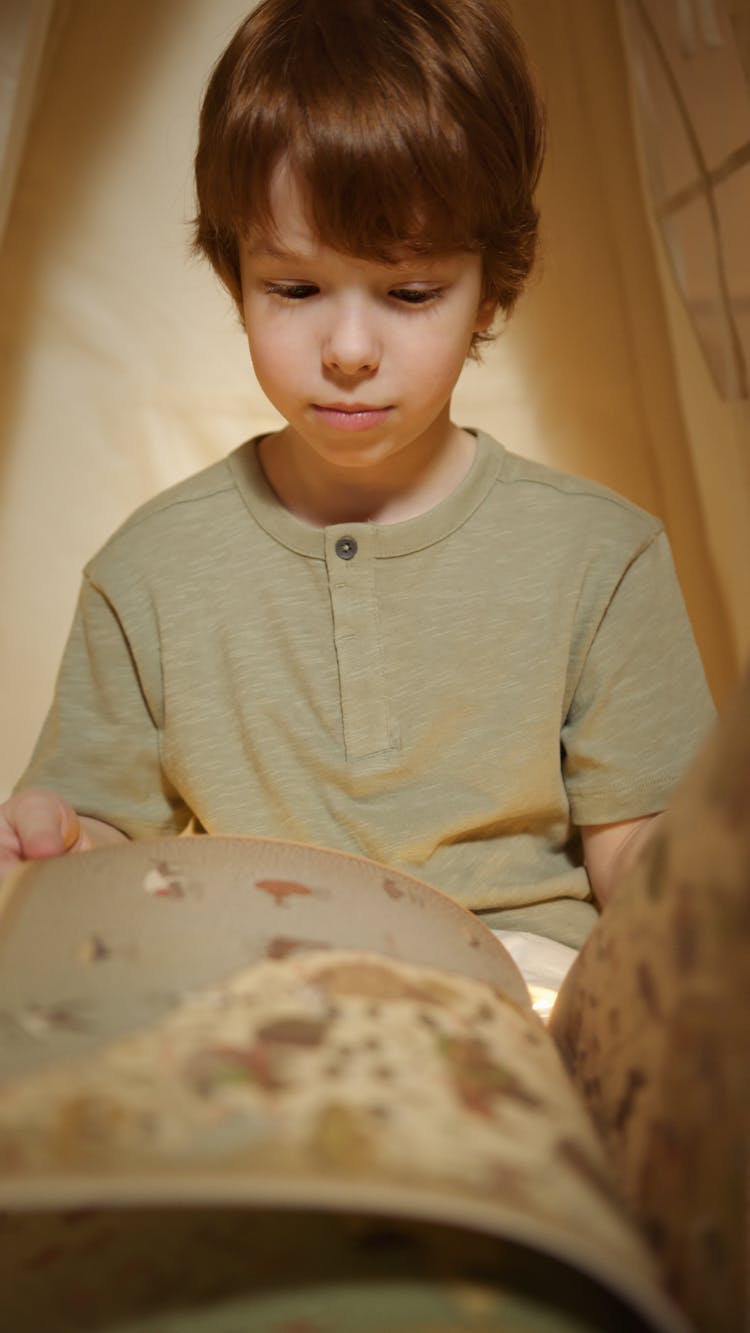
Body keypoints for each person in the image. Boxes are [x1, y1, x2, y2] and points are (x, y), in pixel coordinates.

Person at [0, 0, 713, 952]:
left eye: (409, 292)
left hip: (521, 1009)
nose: (346, 349)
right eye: (293, 288)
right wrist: (61, 848)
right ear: (233, 270)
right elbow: (108, 843)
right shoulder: (149, 572)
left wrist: (705, 891)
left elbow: (647, 863)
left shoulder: (602, 559)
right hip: (253, 1005)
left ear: (491, 286)